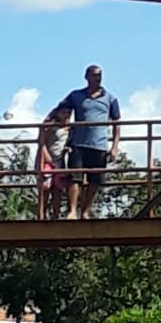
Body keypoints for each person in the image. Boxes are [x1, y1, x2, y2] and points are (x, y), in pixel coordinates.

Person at [59, 65, 121, 219]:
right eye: (94, 75)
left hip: (98, 144)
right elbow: (60, 110)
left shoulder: (111, 98)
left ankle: (85, 211)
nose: (97, 78)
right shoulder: (76, 95)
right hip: (78, 143)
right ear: (86, 77)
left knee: (95, 180)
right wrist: (60, 126)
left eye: (99, 75)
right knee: (74, 178)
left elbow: (116, 123)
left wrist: (114, 147)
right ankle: (72, 210)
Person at [35, 105, 71, 218]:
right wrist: (45, 155)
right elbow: (42, 140)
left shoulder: (70, 127)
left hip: (60, 161)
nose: (66, 115)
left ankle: (56, 215)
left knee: (57, 188)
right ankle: (42, 214)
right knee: (45, 186)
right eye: (63, 112)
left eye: (68, 113)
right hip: (48, 160)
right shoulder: (51, 125)